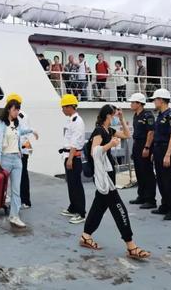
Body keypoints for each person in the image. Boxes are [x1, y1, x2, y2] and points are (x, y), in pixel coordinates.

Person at [78, 104, 151, 260]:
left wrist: (122, 119)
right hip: (104, 177)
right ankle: (131, 246)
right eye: (113, 116)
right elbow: (94, 151)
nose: (113, 119)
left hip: (109, 175)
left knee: (98, 207)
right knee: (119, 209)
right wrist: (110, 144)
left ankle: (85, 236)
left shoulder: (109, 131)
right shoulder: (99, 131)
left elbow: (126, 134)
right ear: (107, 116)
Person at [0, 99, 38, 228]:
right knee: (2, 188)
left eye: (18, 110)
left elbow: (21, 131)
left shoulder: (16, 124)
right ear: (8, 109)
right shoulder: (1, 124)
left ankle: (14, 216)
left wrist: (32, 130)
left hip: (17, 159)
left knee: (16, 190)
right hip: (5, 159)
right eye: (15, 109)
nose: (17, 112)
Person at [151, 88, 171, 220]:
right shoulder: (160, 116)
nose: (154, 102)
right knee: (161, 180)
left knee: (169, 180)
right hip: (158, 149)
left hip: (166, 149)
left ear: (161, 100)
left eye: (155, 99)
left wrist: (167, 154)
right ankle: (165, 205)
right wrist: (154, 152)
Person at [59, 94, 86, 224]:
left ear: (70, 107)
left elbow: (75, 142)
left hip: (73, 157)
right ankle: (73, 207)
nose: (62, 110)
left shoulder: (77, 121)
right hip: (68, 155)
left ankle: (81, 212)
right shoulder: (70, 120)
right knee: (71, 184)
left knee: (76, 185)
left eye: (63, 107)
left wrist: (70, 159)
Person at [128, 93, 157, 209]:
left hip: (145, 145)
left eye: (132, 102)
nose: (130, 104)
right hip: (137, 144)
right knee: (139, 172)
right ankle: (142, 196)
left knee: (147, 173)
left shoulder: (148, 116)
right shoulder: (136, 115)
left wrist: (147, 147)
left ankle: (150, 200)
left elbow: (151, 132)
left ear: (139, 103)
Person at [7, 93, 33, 209]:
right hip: (21, 149)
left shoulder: (19, 116)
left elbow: (21, 134)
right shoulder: (21, 115)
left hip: (20, 150)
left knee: (22, 175)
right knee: (20, 175)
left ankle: (25, 200)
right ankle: (22, 199)